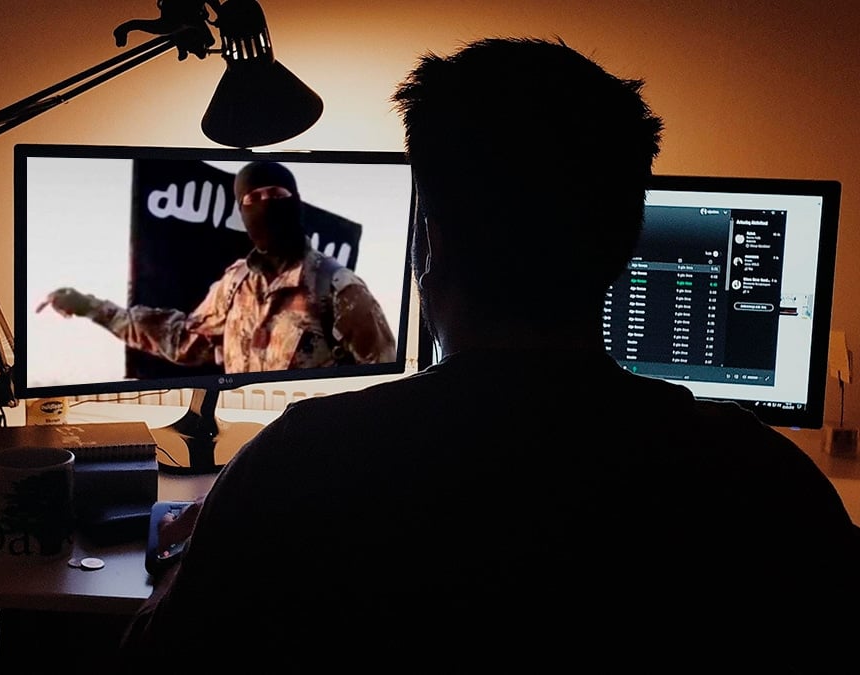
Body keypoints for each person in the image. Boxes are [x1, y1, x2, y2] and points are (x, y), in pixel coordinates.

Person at [113, 37, 860, 671]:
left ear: (430, 242)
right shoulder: (768, 485)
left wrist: (202, 543)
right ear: (627, 245)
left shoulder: (296, 464)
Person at [35, 160, 397, 373]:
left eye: (276, 195)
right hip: (251, 451)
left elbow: (381, 383)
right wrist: (90, 307)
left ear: (295, 203)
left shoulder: (341, 290)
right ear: (242, 211)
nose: (265, 204)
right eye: (253, 198)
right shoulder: (235, 283)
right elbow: (182, 338)